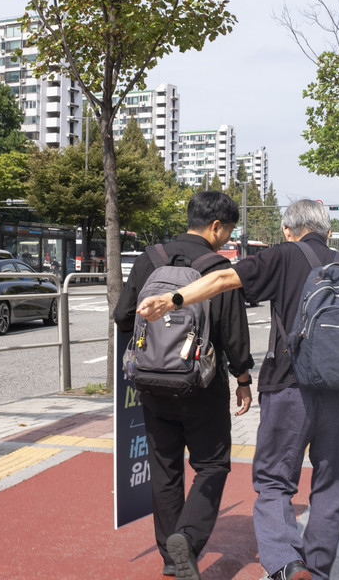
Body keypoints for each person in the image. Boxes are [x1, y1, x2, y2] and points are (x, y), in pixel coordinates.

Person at [137, 199, 339, 580]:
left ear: (288, 231)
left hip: (289, 390)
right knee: (331, 489)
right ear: (327, 231)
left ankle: (286, 563)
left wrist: (174, 298)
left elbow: (224, 279)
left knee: (275, 481)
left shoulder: (282, 256)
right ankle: (318, 571)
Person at [113, 191, 254, 580]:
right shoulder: (216, 267)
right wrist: (243, 379)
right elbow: (233, 334)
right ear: (215, 226)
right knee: (212, 464)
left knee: (165, 468)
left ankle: (170, 559)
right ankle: (187, 541)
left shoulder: (150, 258)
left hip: (151, 383)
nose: (226, 238)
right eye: (226, 231)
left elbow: (122, 315)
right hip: (202, 385)